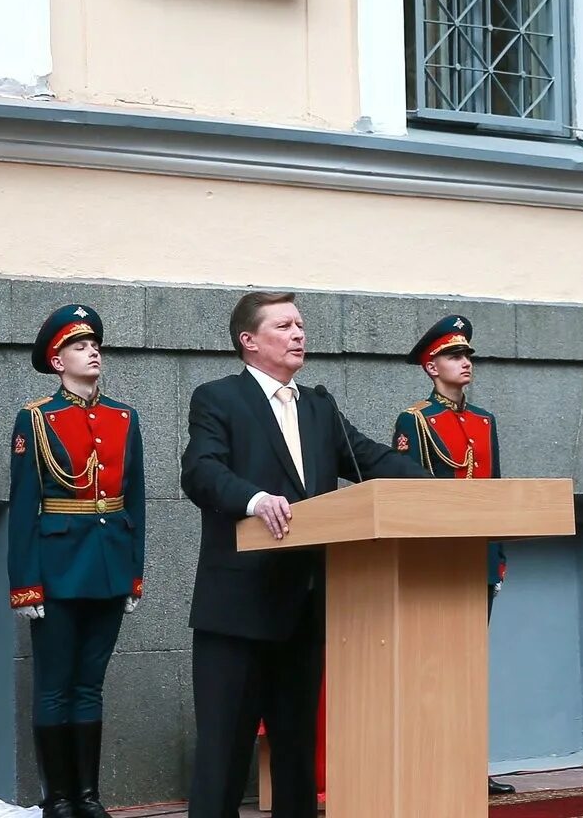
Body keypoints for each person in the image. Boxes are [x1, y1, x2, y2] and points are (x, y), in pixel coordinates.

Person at [180, 291, 427, 818]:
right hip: (238, 611)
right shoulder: (218, 398)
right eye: (284, 325)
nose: (298, 334)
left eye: (300, 324)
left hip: (303, 608)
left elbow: (370, 459)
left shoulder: (319, 406)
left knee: (297, 759)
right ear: (249, 341)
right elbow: (201, 470)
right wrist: (254, 499)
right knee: (223, 760)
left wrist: (447, 488)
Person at [8, 304, 146, 818]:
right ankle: (58, 800)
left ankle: (87, 797)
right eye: (79, 346)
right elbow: (24, 506)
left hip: (109, 567)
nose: (93, 352)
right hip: (58, 568)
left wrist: (134, 574)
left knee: (90, 686)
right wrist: (25, 585)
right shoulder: (37, 418)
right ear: (57, 360)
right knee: (54, 687)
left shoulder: (123, 417)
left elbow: (135, 501)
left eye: (94, 345)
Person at [392, 314, 514, 797]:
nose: (464, 363)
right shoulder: (416, 420)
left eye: (466, 355)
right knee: (430, 667)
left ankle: (469, 766)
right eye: (453, 355)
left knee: (469, 668)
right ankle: (426, 763)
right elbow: (406, 492)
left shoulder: (484, 420)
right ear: (431, 366)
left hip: (477, 556)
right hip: (436, 559)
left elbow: (495, 490)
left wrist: (497, 555)